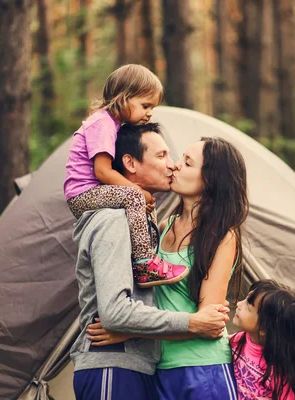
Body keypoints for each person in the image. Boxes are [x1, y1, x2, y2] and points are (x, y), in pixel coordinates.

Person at [71, 123, 230, 400]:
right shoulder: (115, 220)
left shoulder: (148, 223)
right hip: (115, 364)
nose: (173, 166)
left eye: (180, 160)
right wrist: (191, 322)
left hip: (171, 367)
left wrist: (131, 333)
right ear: (130, 163)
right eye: (162, 157)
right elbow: (115, 313)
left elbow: (207, 320)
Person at [64, 64, 188, 288]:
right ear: (124, 98)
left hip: (94, 191)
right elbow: (101, 171)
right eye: (145, 105)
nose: (149, 112)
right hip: (83, 194)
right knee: (135, 197)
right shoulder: (102, 123)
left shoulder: (112, 124)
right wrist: (137, 192)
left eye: (152, 107)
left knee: (145, 203)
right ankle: (144, 265)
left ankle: (147, 254)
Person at [231, 279, 295, 400]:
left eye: (248, 306)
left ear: (264, 328)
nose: (239, 304)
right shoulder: (237, 340)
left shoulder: (281, 376)